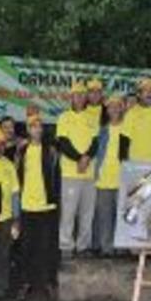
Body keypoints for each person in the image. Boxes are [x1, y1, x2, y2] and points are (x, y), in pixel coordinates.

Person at [17, 115, 61, 301]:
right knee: (26, 247)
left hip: (47, 206)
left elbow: (56, 177)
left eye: (39, 126)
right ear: (28, 129)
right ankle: (26, 283)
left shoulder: (51, 150)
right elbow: (17, 175)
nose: (36, 129)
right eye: (33, 126)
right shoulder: (22, 150)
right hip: (27, 206)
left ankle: (49, 283)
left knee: (48, 247)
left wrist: (56, 201)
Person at [55, 82, 99, 257]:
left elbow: (95, 143)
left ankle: (83, 246)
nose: (79, 98)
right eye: (76, 95)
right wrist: (79, 158)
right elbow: (63, 143)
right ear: (71, 97)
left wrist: (86, 158)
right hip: (70, 173)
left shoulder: (92, 118)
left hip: (89, 172)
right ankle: (65, 246)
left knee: (87, 213)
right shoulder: (64, 117)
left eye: (82, 95)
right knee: (68, 212)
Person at [0, 132, 20, 300]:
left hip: (6, 218)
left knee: (2, 255)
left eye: (2, 144)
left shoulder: (9, 165)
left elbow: (15, 194)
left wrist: (16, 219)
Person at [93, 96, 124, 256]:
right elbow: (94, 150)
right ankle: (106, 248)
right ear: (107, 110)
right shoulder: (101, 130)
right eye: (111, 107)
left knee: (122, 215)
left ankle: (121, 247)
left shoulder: (127, 128)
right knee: (104, 216)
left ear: (122, 109)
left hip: (122, 178)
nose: (114, 109)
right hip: (104, 178)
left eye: (117, 106)